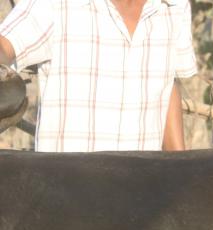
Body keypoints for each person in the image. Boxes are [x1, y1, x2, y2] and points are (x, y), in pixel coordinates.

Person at [0, 0, 197, 152]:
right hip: (66, 191)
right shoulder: (57, 4)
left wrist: (180, 167)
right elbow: (5, 44)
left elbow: (167, 83)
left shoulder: (174, 7)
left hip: (142, 191)